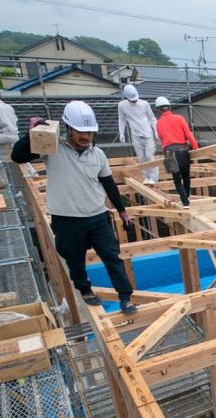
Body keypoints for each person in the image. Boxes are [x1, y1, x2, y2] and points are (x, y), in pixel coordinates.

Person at [11, 100, 138, 314]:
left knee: (113, 257)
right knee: (75, 260)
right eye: (81, 131)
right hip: (67, 220)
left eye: (89, 132)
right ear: (69, 128)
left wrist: (122, 211)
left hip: (97, 217)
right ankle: (85, 290)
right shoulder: (52, 149)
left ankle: (125, 296)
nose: (86, 137)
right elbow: (18, 156)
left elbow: (109, 184)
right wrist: (32, 134)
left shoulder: (97, 155)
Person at [154, 96, 199, 206]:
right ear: (169, 107)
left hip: (168, 152)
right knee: (186, 177)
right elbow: (188, 134)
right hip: (182, 151)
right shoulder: (179, 118)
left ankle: (185, 201)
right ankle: (186, 198)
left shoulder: (158, 123)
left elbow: (161, 139)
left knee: (177, 180)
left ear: (158, 109)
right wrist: (196, 148)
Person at [0, 87, 39, 176]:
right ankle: (32, 171)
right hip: (14, 134)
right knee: (20, 154)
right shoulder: (8, 106)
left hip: (6, 134)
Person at [117, 84, 158, 184]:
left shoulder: (144, 104)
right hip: (135, 135)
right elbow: (122, 120)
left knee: (149, 156)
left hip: (147, 134)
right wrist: (121, 133)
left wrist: (156, 130)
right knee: (141, 158)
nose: (134, 100)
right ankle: (146, 177)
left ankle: (153, 178)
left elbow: (152, 118)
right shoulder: (122, 105)